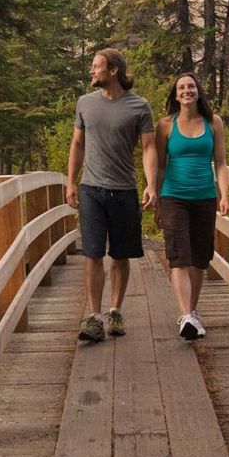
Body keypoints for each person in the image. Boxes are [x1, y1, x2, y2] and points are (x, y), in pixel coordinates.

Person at [65, 48, 158, 343]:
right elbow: (77, 144)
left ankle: (115, 310)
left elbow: (148, 148)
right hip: (91, 189)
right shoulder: (84, 103)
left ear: (113, 70)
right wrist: (70, 182)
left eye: (96, 66)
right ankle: (94, 317)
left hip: (124, 190)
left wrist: (151, 184)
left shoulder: (139, 106)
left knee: (120, 254)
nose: (92, 71)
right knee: (92, 253)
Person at [152, 73, 228, 340]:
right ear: (175, 94)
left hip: (205, 196)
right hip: (174, 196)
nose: (186, 91)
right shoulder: (165, 126)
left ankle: (192, 314)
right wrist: (158, 199)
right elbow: (160, 165)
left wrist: (224, 195)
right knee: (179, 256)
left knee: (199, 258)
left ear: (198, 91)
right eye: (181, 88)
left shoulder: (213, 122)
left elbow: (220, 162)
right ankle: (185, 314)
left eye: (191, 87)